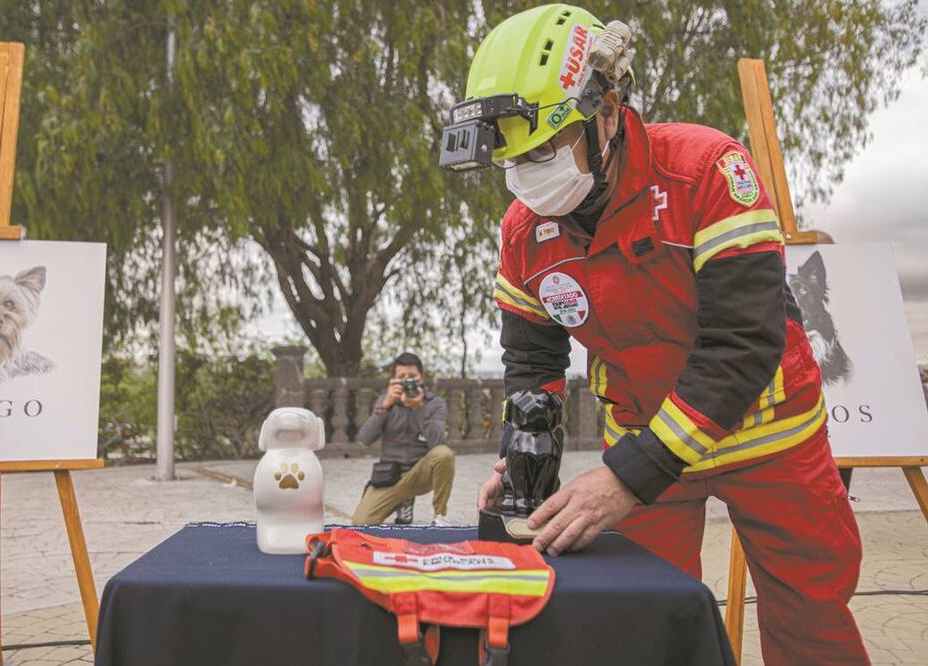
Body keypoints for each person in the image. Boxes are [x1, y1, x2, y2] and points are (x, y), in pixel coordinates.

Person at [447, 6, 867, 664]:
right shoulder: (523, 232)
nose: (526, 175)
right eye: (512, 159)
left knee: (810, 623)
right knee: (640, 621)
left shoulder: (706, 172)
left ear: (607, 111)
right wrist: (528, 460)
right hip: (643, 435)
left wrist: (626, 478)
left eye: (542, 150)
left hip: (769, 435)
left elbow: (742, 346)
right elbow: (532, 362)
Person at [351, 353, 454, 526]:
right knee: (361, 522)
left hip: (421, 473)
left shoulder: (435, 403)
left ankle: (440, 515)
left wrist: (418, 408)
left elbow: (438, 442)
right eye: (402, 377)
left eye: (412, 376)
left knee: (444, 454)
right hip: (392, 475)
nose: (407, 381)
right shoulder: (385, 400)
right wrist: (385, 407)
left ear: (421, 378)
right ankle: (403, 500)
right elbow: (365, 438)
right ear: (393, 380)